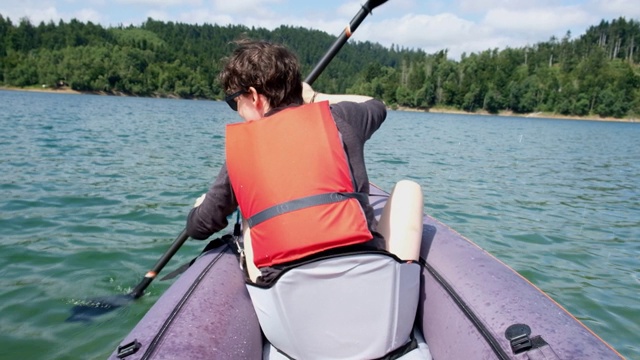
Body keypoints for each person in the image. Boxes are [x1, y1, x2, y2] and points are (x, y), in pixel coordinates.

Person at [187, 39, 422, 359]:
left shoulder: (240, 154)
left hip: (292, 330)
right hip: (376, 303)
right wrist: (314, 97)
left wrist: (200, 206)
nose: (237, 111)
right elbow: (377, 105)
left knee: (248, 226)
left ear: (254, 97)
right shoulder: (342, 118)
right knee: (408, 189)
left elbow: (201, 226)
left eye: (234, 102)